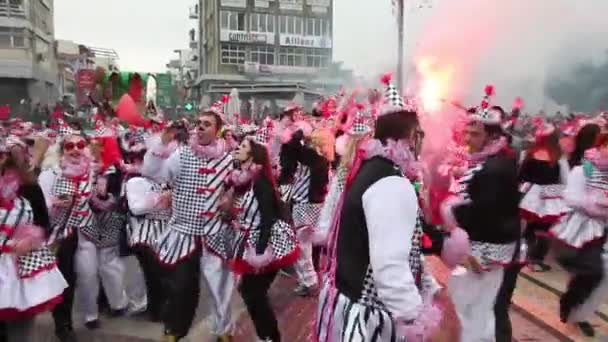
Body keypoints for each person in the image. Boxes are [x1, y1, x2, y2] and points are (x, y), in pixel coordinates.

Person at [316, 86, 439, 341]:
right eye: (421, 134)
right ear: (413, 136)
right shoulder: (391, 182)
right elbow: (390, 267)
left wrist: (442, 241)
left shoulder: (370, 170)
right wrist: (414, 319)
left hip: (351, 305)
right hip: (370, 322)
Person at [147, 109, 235, 342]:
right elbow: (154, 172)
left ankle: (223, 331)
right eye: (198, 123)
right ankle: (174, 331)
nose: (201, 127)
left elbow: (240, 187)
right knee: (181, 287)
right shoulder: (181, 154)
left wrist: (231, 200)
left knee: (221, 288)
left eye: (207, 124)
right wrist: (162, 143)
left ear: (218, 130)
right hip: (184, 233)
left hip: (215, 233)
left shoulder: (228, 159)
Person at [442, 105, 521, 342]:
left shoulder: (492, 169)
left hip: (481, 250)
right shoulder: (495, 161)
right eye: (466, 132)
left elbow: (483, 212)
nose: (467, 138)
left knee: (466, 306)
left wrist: (451, 210)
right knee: (483, 307)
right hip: (493, 246)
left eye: (475, 134)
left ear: (492, 137)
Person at [219, 136, 299, 342]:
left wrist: (261, 250)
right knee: (251, 292)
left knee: (252, 292)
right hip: (252, 241)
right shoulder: (245, 179)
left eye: (243, 146)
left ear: (252, 155)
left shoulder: (260, 180)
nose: (238, 148)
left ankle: (270, 336)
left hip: (267, 244)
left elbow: (267, 217)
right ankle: (267, 335)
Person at [0, 139, 67, 342]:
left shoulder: (27, 195)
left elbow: (42, 225)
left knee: (21, 322)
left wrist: (31, 238)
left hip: (21, 269)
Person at [39, 132, 97, 342]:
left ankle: (91, 314)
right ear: (62, 151)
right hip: (62, 234)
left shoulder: (91, 172)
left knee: (89, 274)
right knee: (65, 280)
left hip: (86, 231)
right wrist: (52, 203)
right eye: (69, 146)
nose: (75, 149)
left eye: (80, 145)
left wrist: (103, 196)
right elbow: (38, 205)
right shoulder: (51, 174)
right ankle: (63, 325)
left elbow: (97, 201)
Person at [550, 126, 607, 337]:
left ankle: (580, 313)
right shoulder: (582, 170)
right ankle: (570, 306)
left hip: (603, 229)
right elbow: (571, 197)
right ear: (599, 146)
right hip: (581, 228)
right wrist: (594, 204)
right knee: (591, 271)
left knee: (598, 277)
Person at [519, 124, 568, 272]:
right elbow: (565, 180)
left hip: (528, 194)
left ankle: (524, 256)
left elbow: (520, 175)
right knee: (543, 229)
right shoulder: (559, 158)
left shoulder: (527, 153)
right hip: (549, 195)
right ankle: (535, 260)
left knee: (529, 227)